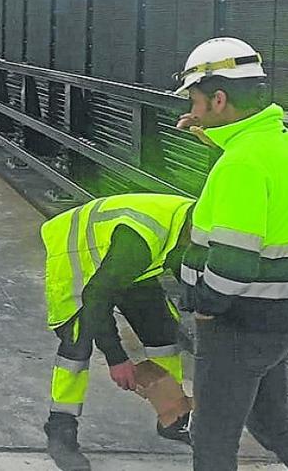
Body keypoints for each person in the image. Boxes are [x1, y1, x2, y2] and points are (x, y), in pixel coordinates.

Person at [173, 37, 288, 471]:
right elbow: (256, 175)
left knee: (211, 441)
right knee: (272, 424)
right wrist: (210, 135)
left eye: (196, 99)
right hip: (281, 318)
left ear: (219, 98)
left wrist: (205, 304)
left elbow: (235, 261)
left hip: (237, 325)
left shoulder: (241, 165)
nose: (193, 108)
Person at [42, 193, 195, 470]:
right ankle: (60, 428)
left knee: (162, 330)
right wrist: (116, 358)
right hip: (78, 256)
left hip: (131, 263)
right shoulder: (140, 240)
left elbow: (181, 263)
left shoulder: (190, 221)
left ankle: (174, 414)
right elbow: (96, 296)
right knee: (78, 341)